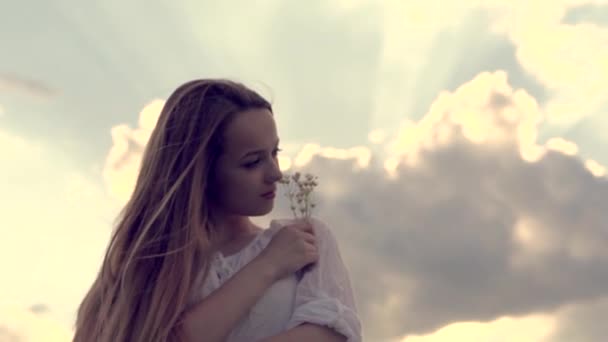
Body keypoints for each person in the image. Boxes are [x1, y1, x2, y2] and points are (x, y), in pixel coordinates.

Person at [72, 79, 361, 342]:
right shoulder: (144, 270)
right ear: (202, 173)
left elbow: (329, 336)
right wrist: (268, 265)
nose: (275, 174)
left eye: (274, 153)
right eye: (251, 162)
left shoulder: (307, 241)